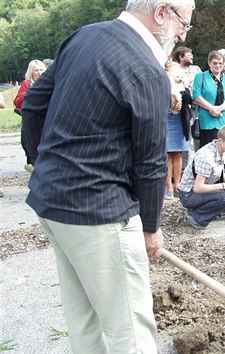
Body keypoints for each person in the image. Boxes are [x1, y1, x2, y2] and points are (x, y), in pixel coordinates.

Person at [19, 0, 195, 352]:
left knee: (86, 324)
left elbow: (35, 103)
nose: (182, 34)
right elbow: (149, 163)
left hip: (51, 202)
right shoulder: (147, 70)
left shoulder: (84, 36)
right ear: (162, 12)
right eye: (183, 24)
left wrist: (44, 165)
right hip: (99, 213)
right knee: (130, 330)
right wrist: (150, 228)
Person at [178, 126, 225, 229]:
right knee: (224, 197)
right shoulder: (206, 157)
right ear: (220, 141)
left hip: (204, 184)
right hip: (189, 194)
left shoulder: (220, 149)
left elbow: (217, 175)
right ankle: (196, 217)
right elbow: (198, 187)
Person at [192, 50, 225, 167]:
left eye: (220, 63)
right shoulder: (200, 77)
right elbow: (196, 95)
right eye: (215, 63)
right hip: (207, 119)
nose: (218, 66)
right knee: (209, 150)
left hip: (223, 119)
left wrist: (220, 108)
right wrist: (211, 108)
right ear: (209, 63)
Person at [165, 58, 191, 200]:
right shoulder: (159, 76)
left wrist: (179, 97)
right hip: (165, 117)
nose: (167, 65)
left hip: (180, 119)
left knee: (179, 153)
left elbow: (189, 98)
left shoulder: (180, 76)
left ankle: (178, 185)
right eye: (165, 63)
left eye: (169, 62)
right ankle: (168, 185)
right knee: (168, 154)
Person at [14, 59, 46, 172]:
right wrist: (32, 91)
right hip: (31, 121)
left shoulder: (49, 83)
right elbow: (17, 102)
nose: (39, 72)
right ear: (31, 72)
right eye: (36, 70)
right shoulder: (27, 84)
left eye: (41, 70)